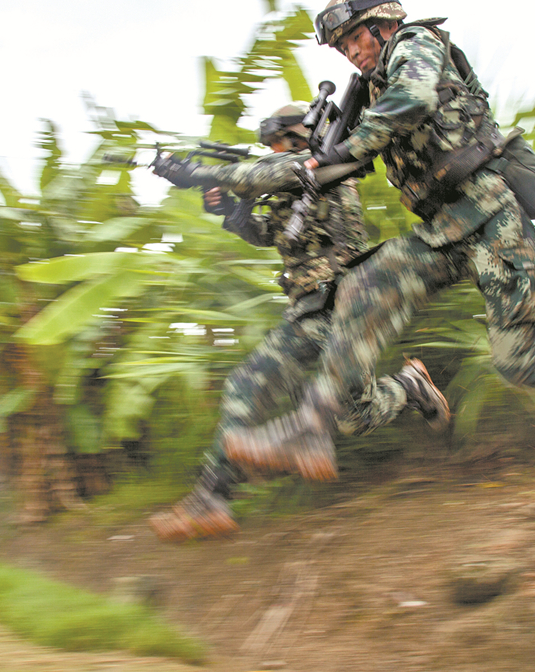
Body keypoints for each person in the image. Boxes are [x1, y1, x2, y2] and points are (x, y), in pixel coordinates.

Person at [223, 0, 535, 479]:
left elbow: (414, 98)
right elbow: (340, 162)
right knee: (367, 283)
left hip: (491, 215)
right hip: (448, 230)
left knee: (520, 361)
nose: (351, 53)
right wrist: (268, 178)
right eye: (342, 47)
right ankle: (311, 428)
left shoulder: (415, 44)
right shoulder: (373, 91)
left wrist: (341, 151)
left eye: (355, 39)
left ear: (383, 24)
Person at [146, 103, 449, 542]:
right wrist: (228, 211)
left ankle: (212, 496)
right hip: (310, 308)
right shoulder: (294, 183)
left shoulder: (321, 165)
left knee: (275, 393)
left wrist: (198, 173)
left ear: (297, 137)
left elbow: (266, 174)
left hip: (343, 303)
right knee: (328, 408)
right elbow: (269, 232)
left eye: (276, 142)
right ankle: (409, 386)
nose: (272, 150)